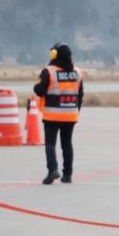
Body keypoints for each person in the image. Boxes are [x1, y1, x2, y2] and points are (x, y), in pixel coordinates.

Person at [33, 43, 84, 184]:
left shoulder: (49, 71)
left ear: (54, 55)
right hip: (71, 114)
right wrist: (75, 110)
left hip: (52, 115)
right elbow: (80, 94)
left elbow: (40, 90)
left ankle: (52, 170)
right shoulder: (78, 72)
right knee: (67, 144)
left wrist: (36, 86)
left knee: (50, 144)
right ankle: (67, 174)